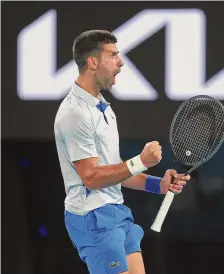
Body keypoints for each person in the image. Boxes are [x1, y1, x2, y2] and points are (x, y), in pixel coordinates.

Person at [54, 30, 190, 274]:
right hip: (93, 218)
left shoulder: (103, 108)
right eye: (113, 55)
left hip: (115, 212)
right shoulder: (76, 114)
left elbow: (112, 168)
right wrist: (140, 161)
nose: (121, 61)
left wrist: (159, 185)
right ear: (93, 62)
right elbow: (92, 178)